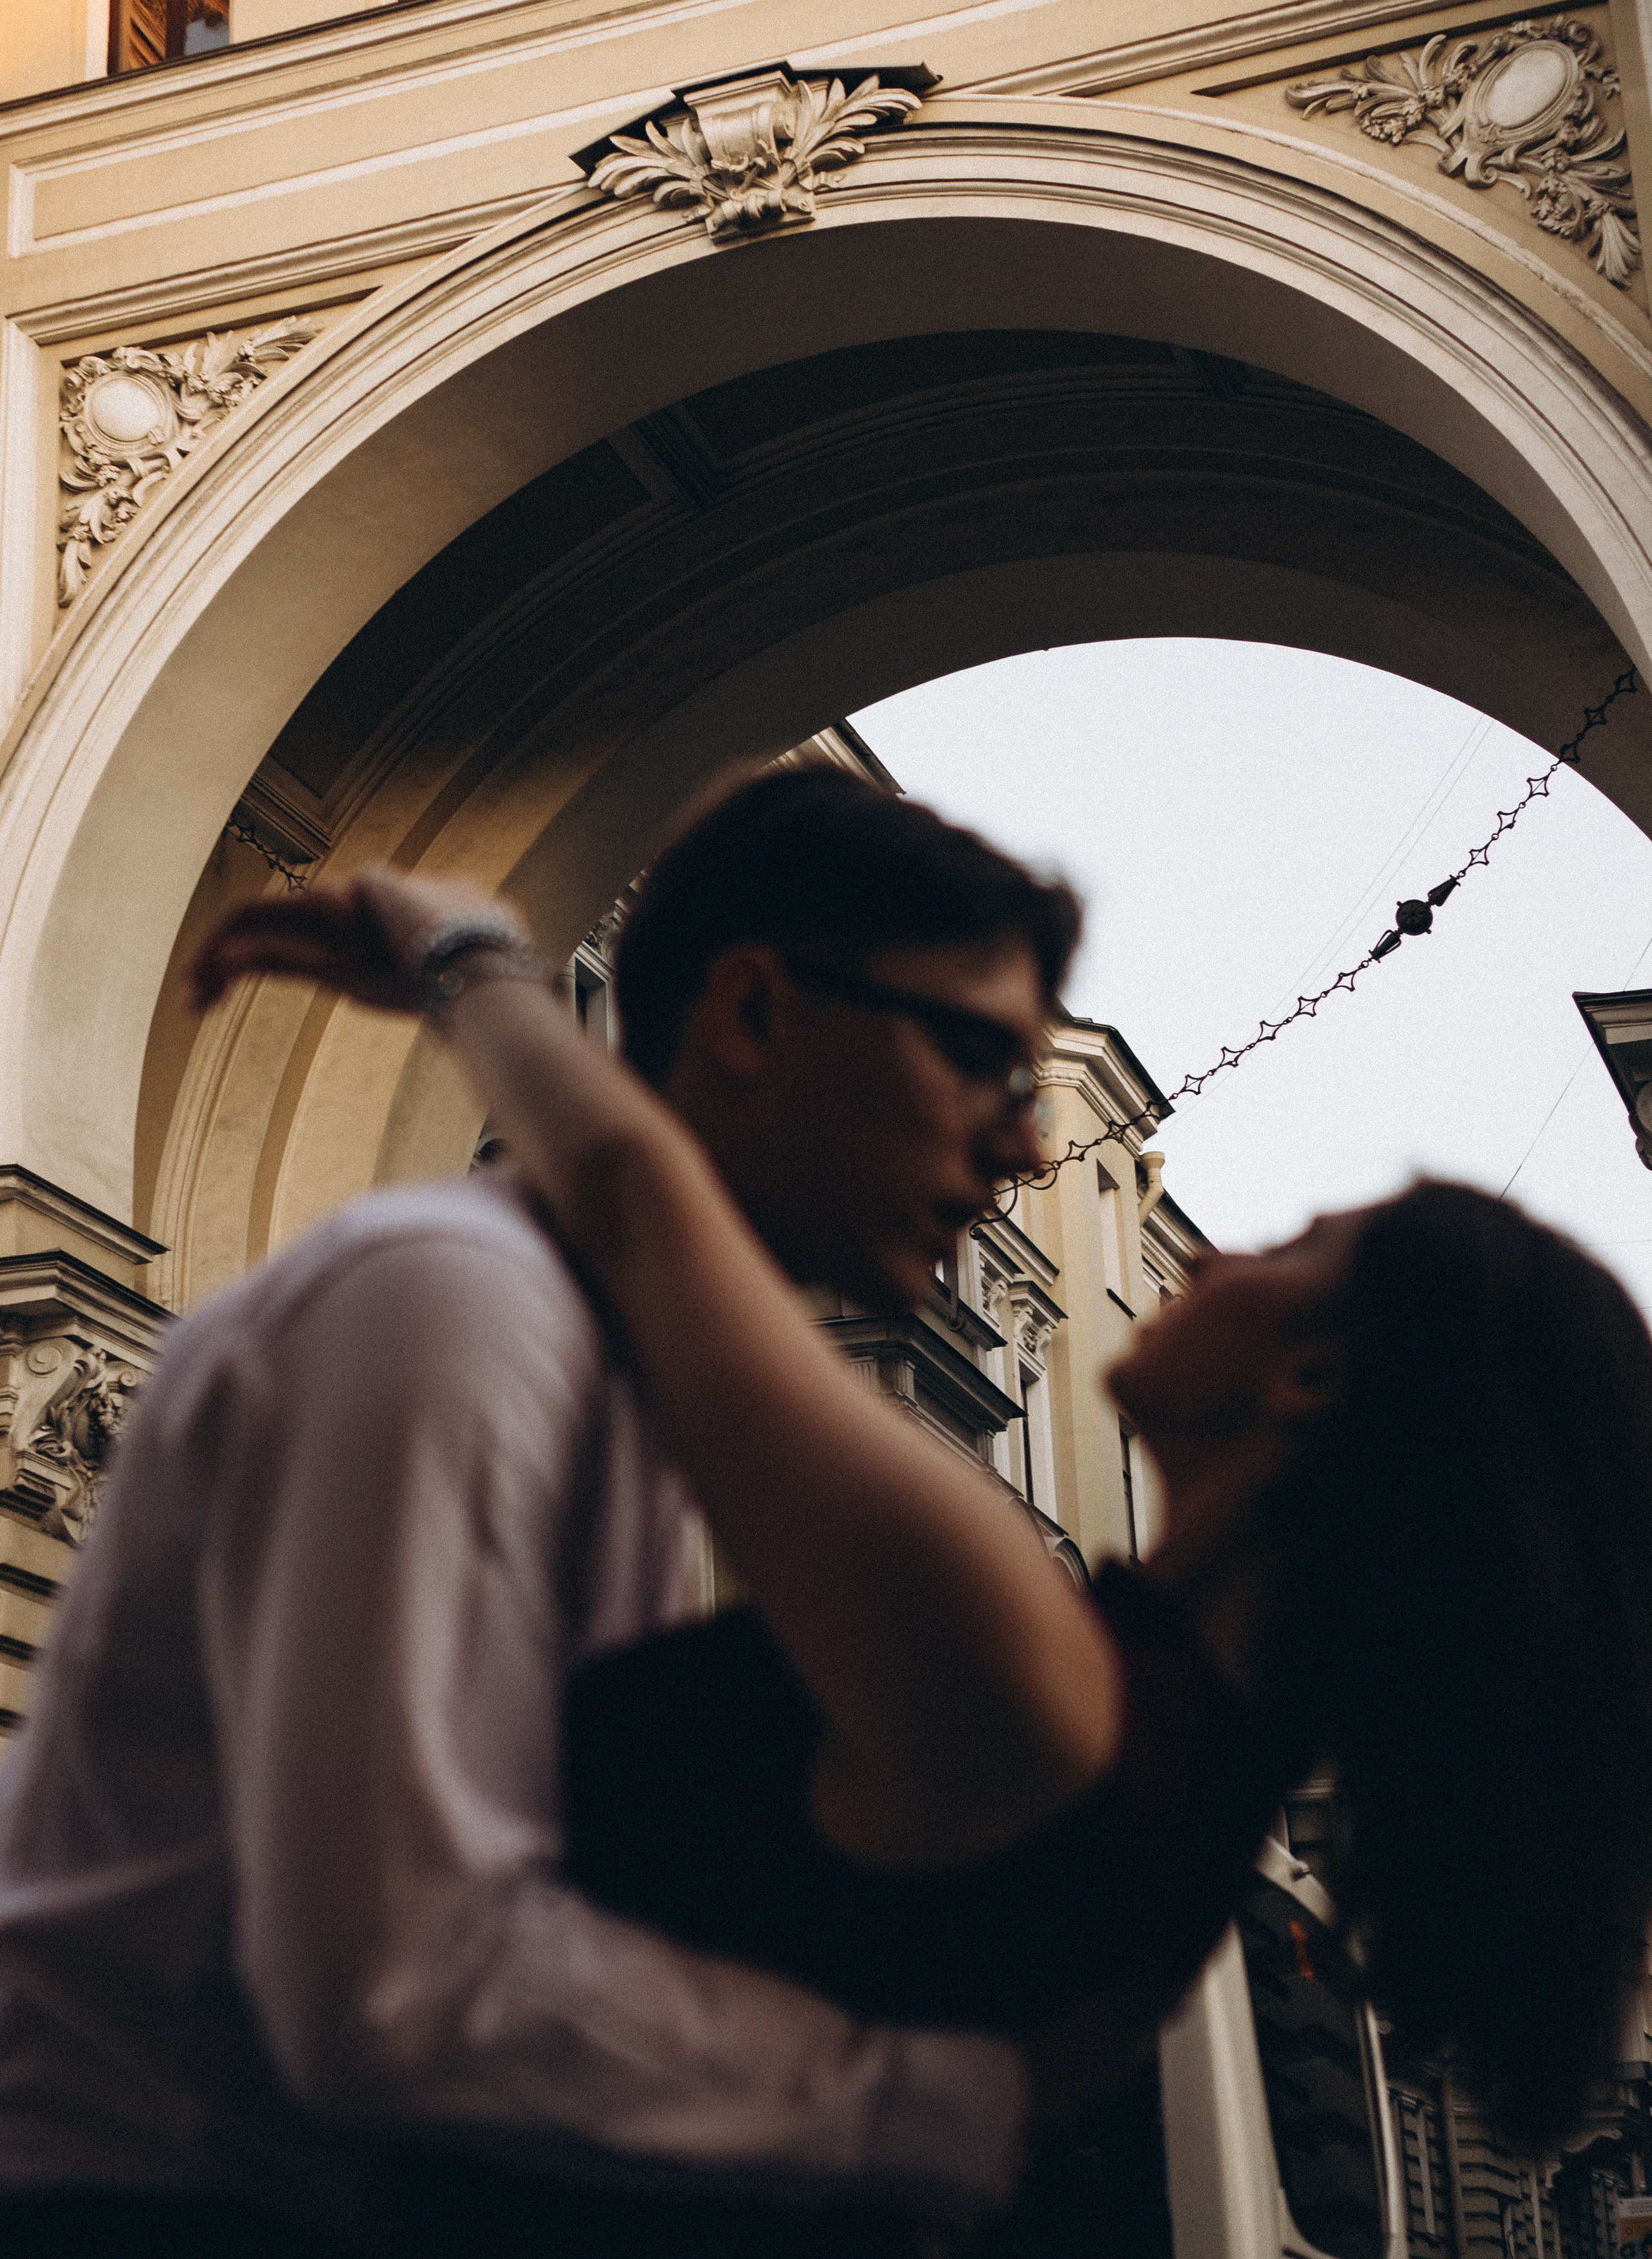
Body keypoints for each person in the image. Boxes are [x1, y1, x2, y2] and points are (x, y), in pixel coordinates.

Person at [195, 792, 1652, 2170]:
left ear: (1311, 1381)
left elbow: (643, 1206)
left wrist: (465, 959)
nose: (1211, 1255)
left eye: (1289, 1246)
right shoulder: (1188, 1789)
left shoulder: (1024, 1656)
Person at [0, 770, 1096, 2259]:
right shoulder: (455, 1304)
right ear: (757, 1013)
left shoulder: (618, 1370)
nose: (1024, 1148)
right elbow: (396, 1983)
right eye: (979, 1058)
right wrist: (919, 2108)